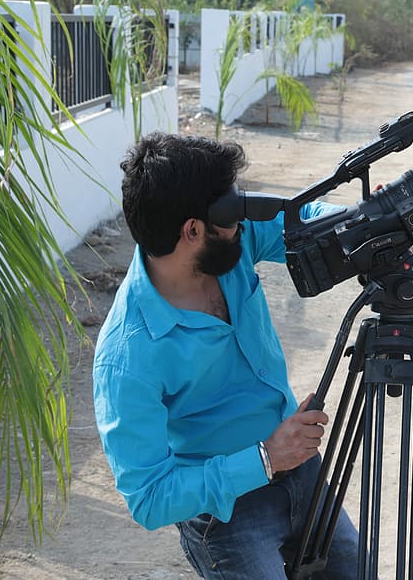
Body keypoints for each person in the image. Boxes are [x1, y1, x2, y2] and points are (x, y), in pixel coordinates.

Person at [93, 132, 360, 579]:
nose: (242, 221)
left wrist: (367, 222)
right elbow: (149, 498)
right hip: (227, 513)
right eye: (231, 212)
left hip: (304, 474)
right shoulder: (127, 353)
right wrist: (265, 458)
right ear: (193, 229)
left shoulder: (229, 245)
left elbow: (302, 220)